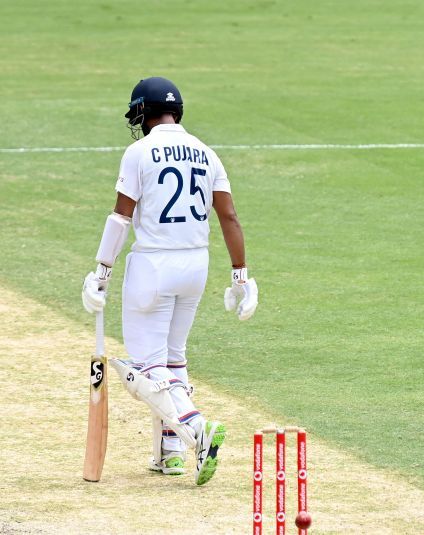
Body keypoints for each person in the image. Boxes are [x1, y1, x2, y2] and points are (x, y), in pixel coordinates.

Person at [81, 76, 259, 484]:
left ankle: (196, 429)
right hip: (196, 267)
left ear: (143, 113)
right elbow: (228, 216)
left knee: (144, 369)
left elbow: (120, 217)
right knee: (173, 359)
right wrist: (240, 277)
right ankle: (170, 452)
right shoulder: (206, 152)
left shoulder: (139, 152)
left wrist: (101, 273)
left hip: (153, 268)